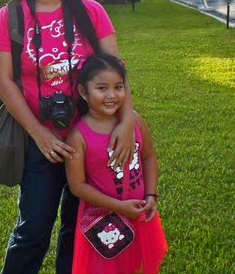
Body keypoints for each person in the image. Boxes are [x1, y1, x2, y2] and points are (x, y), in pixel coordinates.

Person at [0, 0, 136, 274]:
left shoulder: (91, 11)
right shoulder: (11, 16)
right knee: (32, 231)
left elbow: (116, 71)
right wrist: (39, 134)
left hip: (90, 140)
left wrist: (127, 122)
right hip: (40, 144)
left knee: (80, 231)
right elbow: (3, 80)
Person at [66, 53, 168, 274]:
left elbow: (148, 156)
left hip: (139, 212)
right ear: (83, 91)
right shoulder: (78, 137)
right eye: (102, 88)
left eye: (118, 87)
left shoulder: (134, 121)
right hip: (103, 221)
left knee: (134, 264)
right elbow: (77, 186)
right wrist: (119, 207)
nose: (111, 95)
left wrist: (151, 195)